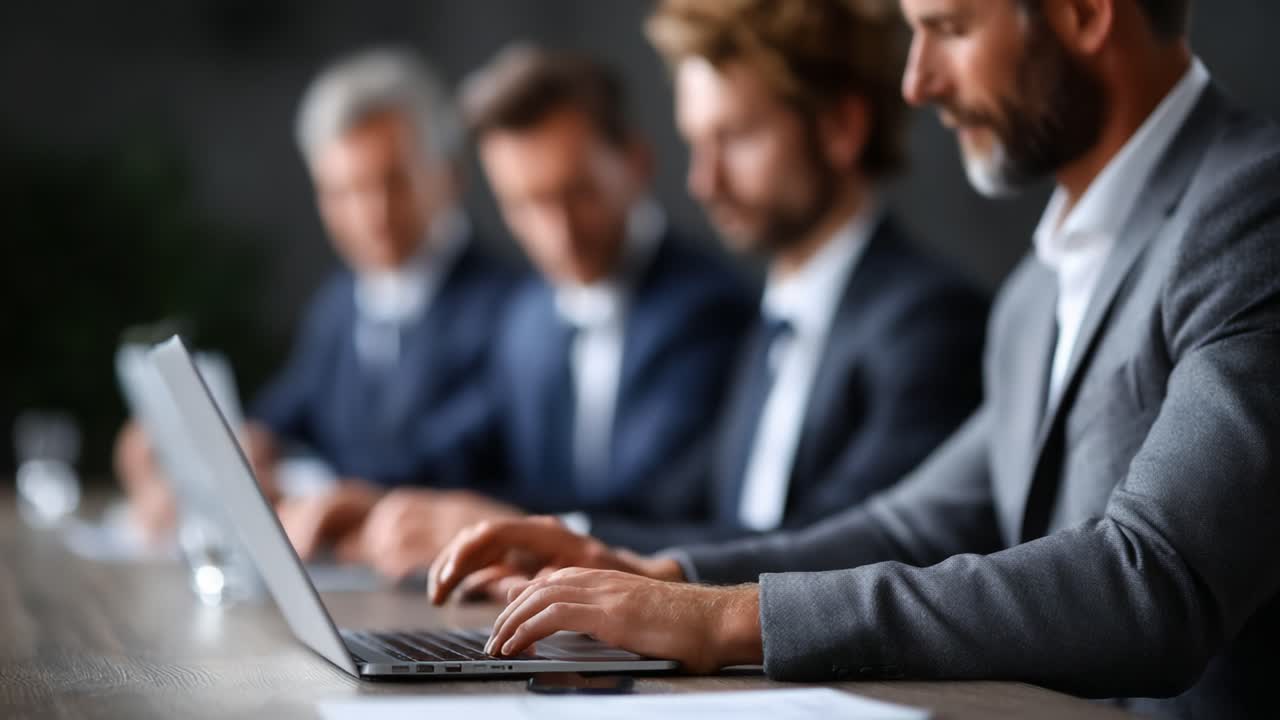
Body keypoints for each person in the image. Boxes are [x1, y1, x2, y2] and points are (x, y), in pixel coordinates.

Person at [428, 1, 1280, 716]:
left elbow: (1154, 581)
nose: (918, 82)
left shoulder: (1252, 208)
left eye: (947, 28)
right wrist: (662, 574)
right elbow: (915, 522)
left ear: (1089, 11)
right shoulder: (1032, 296)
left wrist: (733, 618)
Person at [297, 46, 756, 577]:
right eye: (526, 204)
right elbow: (464, 445)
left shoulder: (707, 309)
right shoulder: (529, 314)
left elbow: (652, 506)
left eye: (578, 193)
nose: (558, 233)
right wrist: (368, 498)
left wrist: (501, 526)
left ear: (636, 163)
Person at [579, 0, 987, 553]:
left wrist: (584, 545)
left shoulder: (929, 324)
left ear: (842, 126)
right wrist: (539, 533)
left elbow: (836, 547)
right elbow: (671, 503)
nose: (704, 181)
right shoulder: (772, 320)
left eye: (738, 137)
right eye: (696, 142)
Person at [116, 47, 518, 548]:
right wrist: (216, 450)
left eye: (394, 180)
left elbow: (451, 455)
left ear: (450, 173)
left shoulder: (512, 308)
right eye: (344, 190)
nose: (373, 213)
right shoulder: (340, 303)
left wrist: (297, 487)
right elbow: (282, 413)